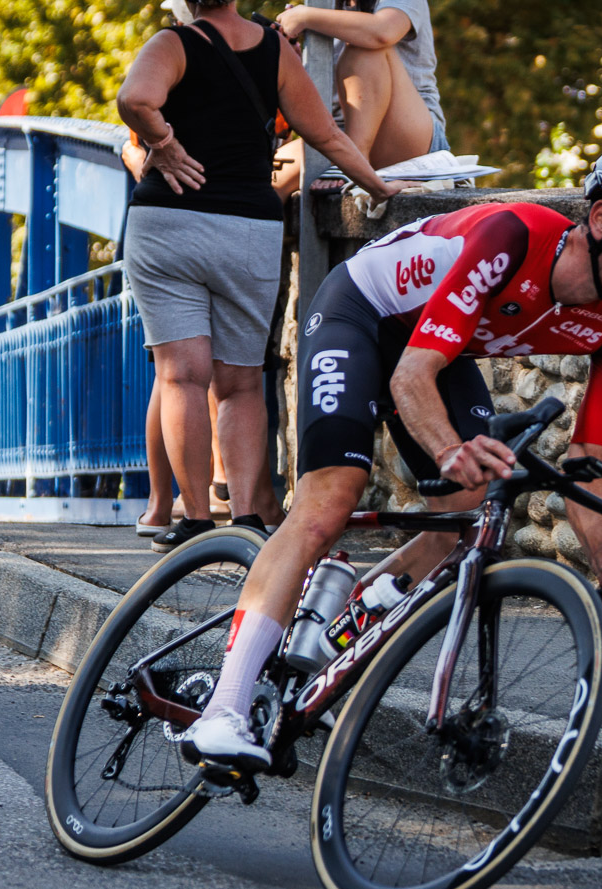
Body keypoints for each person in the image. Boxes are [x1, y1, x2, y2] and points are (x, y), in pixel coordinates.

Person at [180, 142, 602, 768]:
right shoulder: (510, 236)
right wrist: (448, 448)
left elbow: (588, 453)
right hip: (361, 313)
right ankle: (222, 710)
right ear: (601, 220)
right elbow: (411, 376)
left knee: (465, 517)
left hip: (437, 349)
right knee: (329, 500)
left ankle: (339, 630)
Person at [117, 0, 406, 553]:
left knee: (182, 376)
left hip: (169, 225)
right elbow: (327, 135)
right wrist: (379, 186)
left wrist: (164, 146)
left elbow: (135, 99)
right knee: (241, 381)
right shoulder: (276, 50)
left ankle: (196, 521)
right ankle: (247, 517)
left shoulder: (173, 44)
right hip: (247, 230)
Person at [271, 0, 447, 198]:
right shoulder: (325, 5)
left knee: (365, 46)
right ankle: (349, 159)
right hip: (337, 136)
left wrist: (305, 17)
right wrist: (291, 57)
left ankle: (355, 159)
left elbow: (383, 31)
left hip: (407, 135)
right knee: (269, 179)